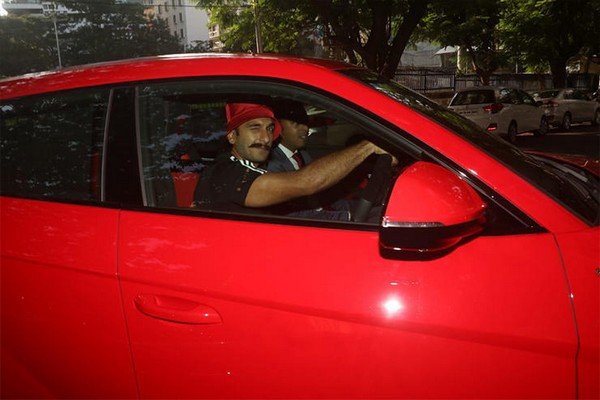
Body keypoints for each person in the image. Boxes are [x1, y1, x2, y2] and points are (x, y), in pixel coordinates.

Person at [193, 102, 393, 218]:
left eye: (270, 129)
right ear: (232, 136)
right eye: (254, 128)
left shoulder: (240, 168)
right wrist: (368, 147)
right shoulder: (228, 173)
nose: (265, 138)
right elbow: (305, 183)